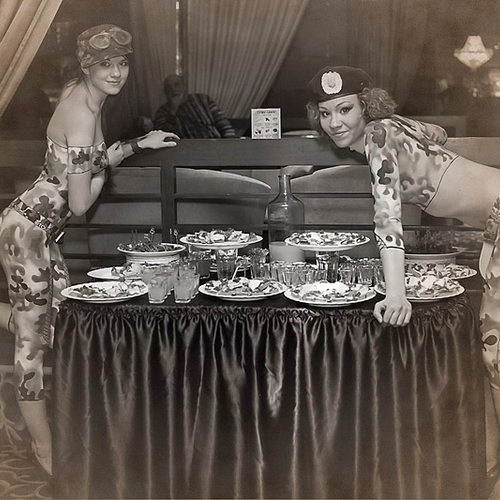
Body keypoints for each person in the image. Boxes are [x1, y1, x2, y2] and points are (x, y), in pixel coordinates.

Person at [287, 65, 500, 496]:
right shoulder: (392, 125)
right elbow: (437, 133)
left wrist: (397, 295)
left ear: (365, 106)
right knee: (493, 348)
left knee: (495, 352)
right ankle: (492, 465)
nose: (335, 122)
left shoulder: (379, 135)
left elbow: (387, 218)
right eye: (325, 113)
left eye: (345, 109)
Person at [0, 24, 178, 477]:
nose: (116, 72)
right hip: (28, 234)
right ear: (87, 67)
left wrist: (134, 145)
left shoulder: (86, 96)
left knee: (58, 323)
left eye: (122, 63)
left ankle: (17, 322)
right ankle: (43, 448)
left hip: (41, 232)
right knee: (32, 344)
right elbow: (80, 202)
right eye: (105, 65)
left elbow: (79, 165)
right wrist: (109, 166)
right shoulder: (80, 111)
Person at [153, 74, 236, 138]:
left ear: (184, 87)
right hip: (184, 150)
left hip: (213, 143)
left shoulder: (203, 100)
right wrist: (173, 111)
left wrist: (230, 142)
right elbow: (163, 137)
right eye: (168, 87)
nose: (173, 89)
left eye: (176, 85)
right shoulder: (162, 112)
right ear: (165, 92)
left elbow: (223, 122)